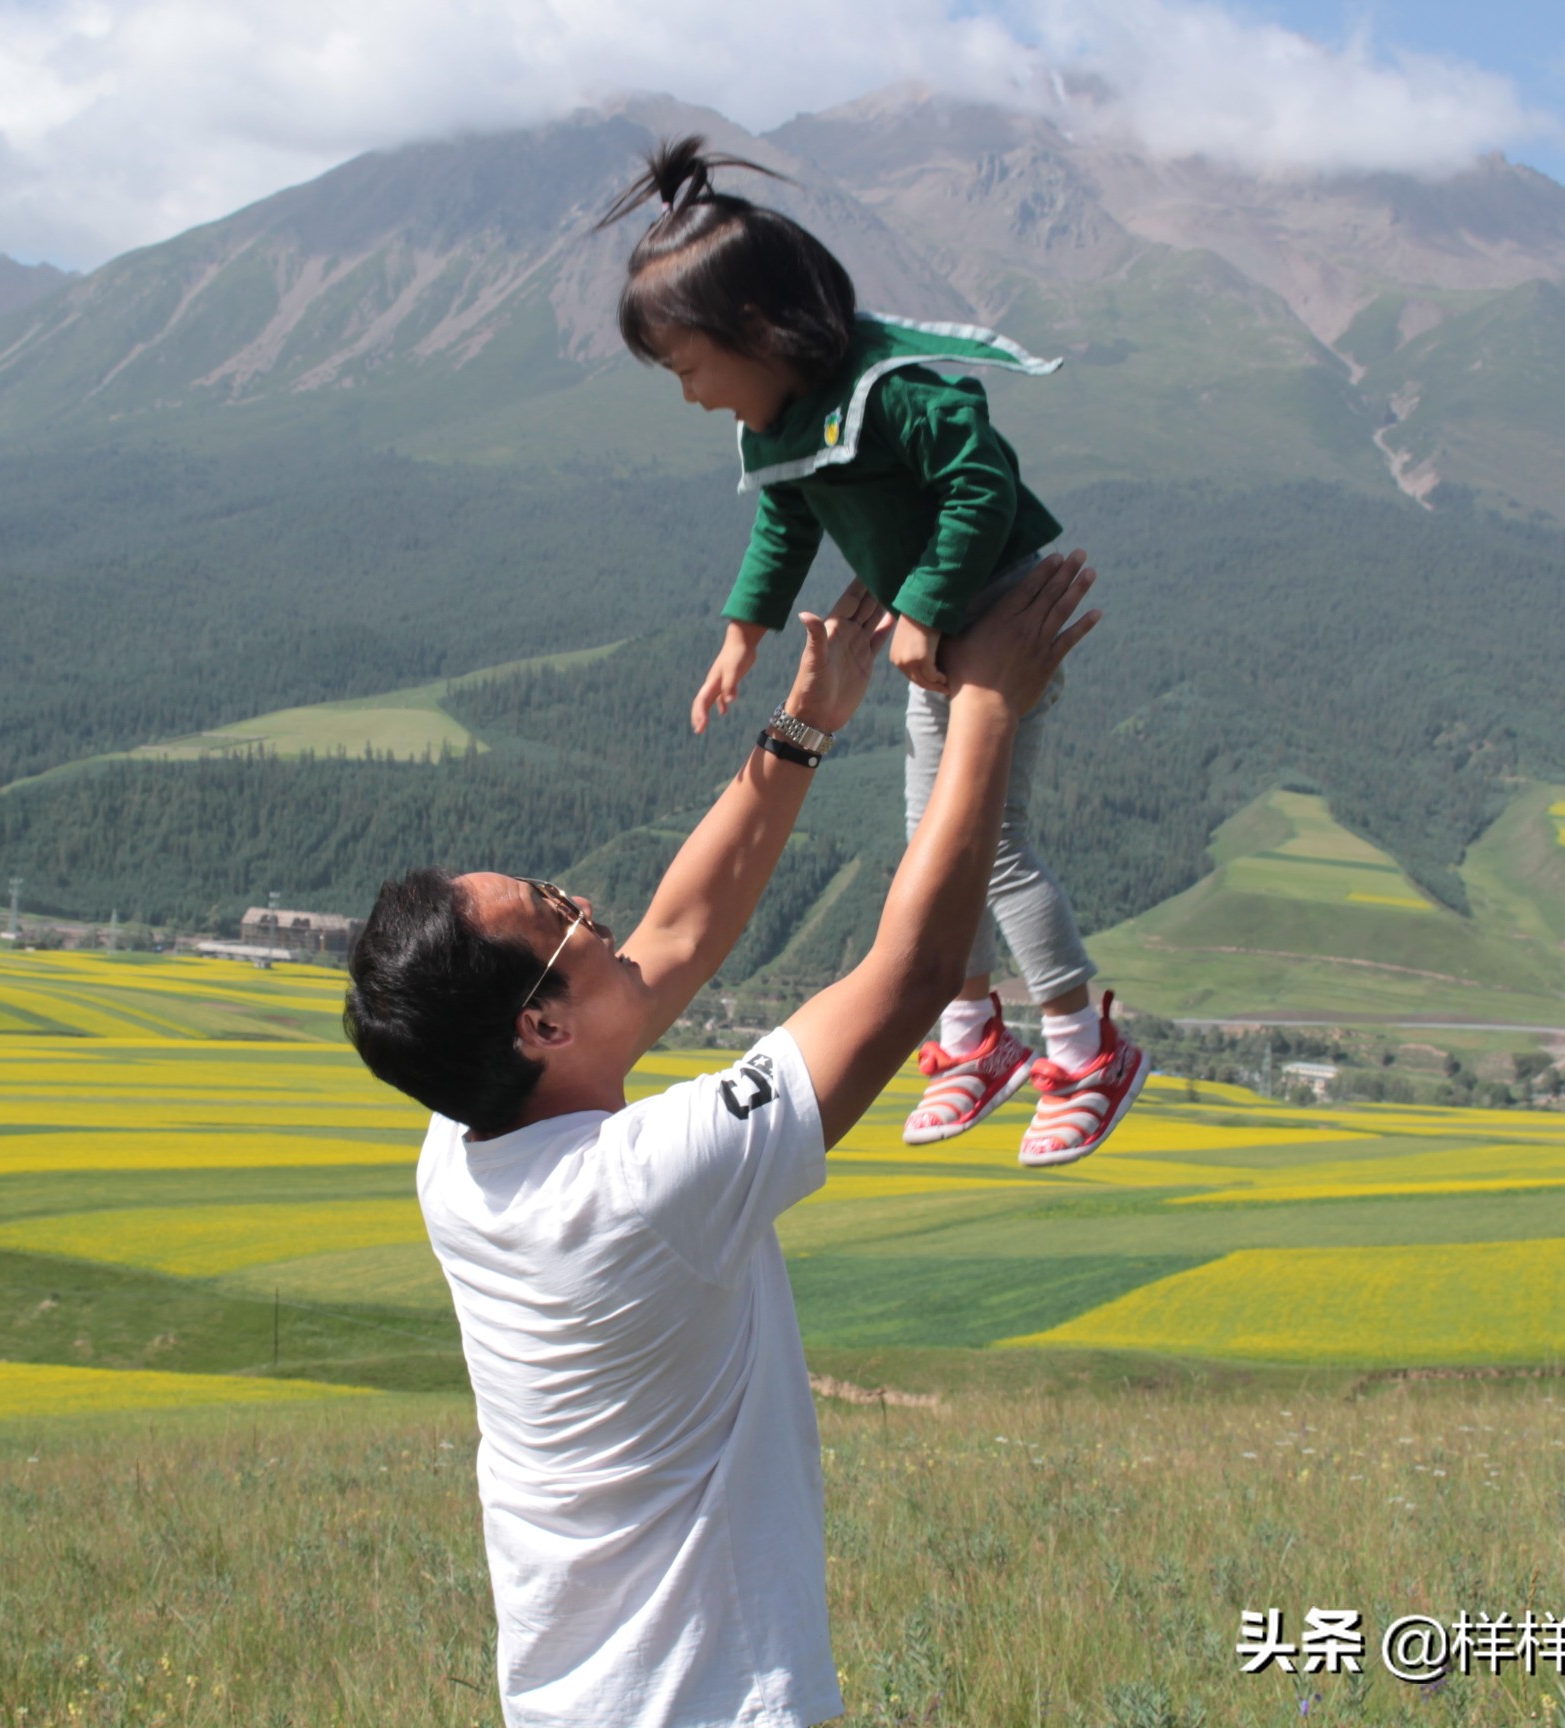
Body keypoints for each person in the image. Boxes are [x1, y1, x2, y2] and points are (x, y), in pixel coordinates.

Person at [345, 551, 1100, 1727]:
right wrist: (988, 704)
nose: (591, 908)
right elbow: (905, 981)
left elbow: (681, 929)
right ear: (542, 1023)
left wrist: (805, 723)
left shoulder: (463, 1147)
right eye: (560, 913)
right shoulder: (644, 1191)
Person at [597, 135, 1147, 1168]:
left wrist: (931, 606)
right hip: (936, 635)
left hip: (997, 613)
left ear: (757, 332)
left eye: (688, 367)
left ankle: (1085, 1045)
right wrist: (743, 630)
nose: (689, 395)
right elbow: (785, 519)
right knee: (934, 840)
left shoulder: (891, 390)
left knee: (993, 841)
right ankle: (974, 1034)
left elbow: (982, 479)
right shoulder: (792, 412)